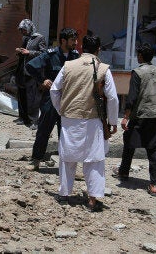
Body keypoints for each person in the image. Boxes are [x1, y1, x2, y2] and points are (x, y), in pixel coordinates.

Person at [50, 35, 119, 211]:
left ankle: (64, 194)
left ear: (81, 48)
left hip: (69, 118)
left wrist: (61, 110)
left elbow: (54, 90)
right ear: (99, 50)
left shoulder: (68, 66)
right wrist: (112, 121)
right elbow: (112, 97)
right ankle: (92, 199)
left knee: (67, 157)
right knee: (94, 159)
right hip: (93, 120)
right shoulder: (103, 68)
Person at [114, 43, 156, 197]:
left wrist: (125, 117)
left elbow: (132, 97)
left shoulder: (137, 73)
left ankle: (124, 172)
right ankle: (154, 184)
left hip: (141, 115)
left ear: (141, 56)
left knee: (129, 142)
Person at [24, 27, 80, 170]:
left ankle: (68, 166)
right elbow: (30, 66)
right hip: (50, 99)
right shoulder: (50, 54)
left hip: (68, 101)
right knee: (44, 129)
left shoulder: (76, 56)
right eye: (73, 40)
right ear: (63, 41)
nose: (76, 42)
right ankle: (36, 161)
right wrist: (42, 80)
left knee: (67, 133)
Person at [15, 19, 47, 129]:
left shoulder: (39, 38)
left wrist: (29, 53)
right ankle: (23, 117)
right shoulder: (25, 38)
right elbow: (24, 52)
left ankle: (34, 120)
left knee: (33, 97)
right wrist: (20, 52)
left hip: (32, 72)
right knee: (22, 94)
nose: (22, 32)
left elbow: (43, 53)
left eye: (24, 30)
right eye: (21, 30)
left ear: (29, 28)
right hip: (21, 70)